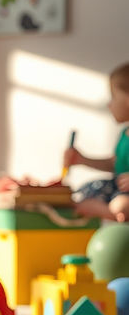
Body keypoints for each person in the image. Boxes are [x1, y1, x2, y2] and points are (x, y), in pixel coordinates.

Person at [65, 63, 129, 222]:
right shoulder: (124, 134)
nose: (109, 104)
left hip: (125, 194)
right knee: (81, 193)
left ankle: (112, 212)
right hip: (116, 187)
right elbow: (114, 164)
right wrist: (82, 160)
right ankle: (106, 210)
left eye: (113, 97)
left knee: (122, 206)